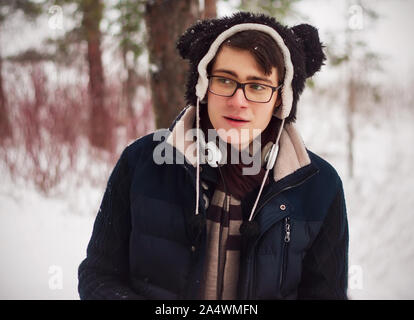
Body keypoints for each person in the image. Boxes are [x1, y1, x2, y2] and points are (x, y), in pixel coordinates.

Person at [78, 12, 349, 300]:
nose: (238, 101)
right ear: (203, 85)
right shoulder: (142, 162)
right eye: (225, 80)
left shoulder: (318, 187)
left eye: (257, 86)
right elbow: (99, 275)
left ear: (281, 99)